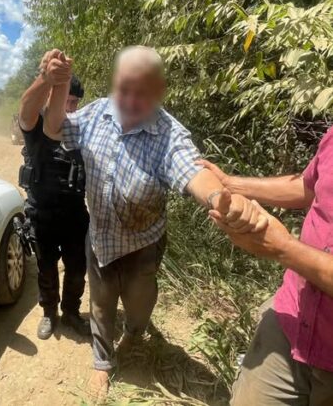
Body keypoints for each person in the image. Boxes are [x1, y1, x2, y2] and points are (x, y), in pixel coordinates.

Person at [41, 45, 268, 396]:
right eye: (125, 88)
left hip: (143, 243)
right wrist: (59, 85)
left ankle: (133, 333)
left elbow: (191, 169)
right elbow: (55, 126)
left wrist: (219, 198)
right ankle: (102, 362)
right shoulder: (97, 114)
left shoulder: (167, 134)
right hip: (101, 236)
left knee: (139, 302)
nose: (131, 100)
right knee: (100, 302)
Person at [200, 127, 333, 406]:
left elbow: (284, 248)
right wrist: (231, 183)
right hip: (292, 317)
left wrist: (284, 248)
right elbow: (310, 185)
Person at [18, 50, 90, 340]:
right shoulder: (35, 126)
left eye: (74, 102)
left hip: (74, 212)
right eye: (66, 99)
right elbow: (25, 108)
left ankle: (71, 312)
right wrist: (48, 79)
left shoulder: (80, 129)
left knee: (77, 268)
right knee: (46, 269)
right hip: (42, 214)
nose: (70, 107)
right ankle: (49, 312)